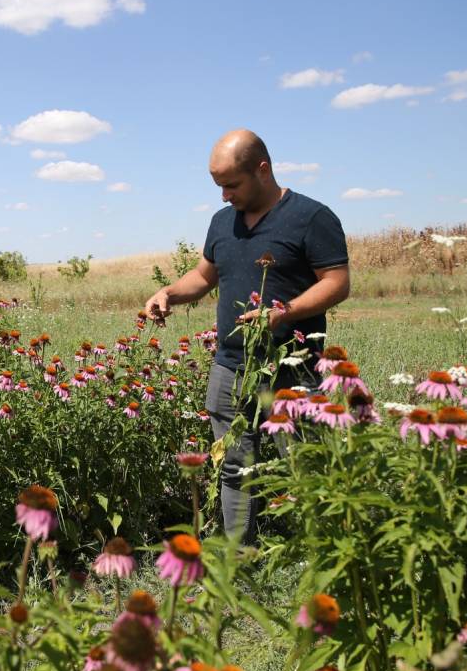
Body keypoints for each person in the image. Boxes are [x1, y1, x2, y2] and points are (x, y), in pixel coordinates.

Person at [144, 129, 350, 544]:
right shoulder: (223, 223)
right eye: (218, 186)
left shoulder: (311, 217)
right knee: (235, 465)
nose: (224, 196)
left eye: (231, 185)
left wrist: (285, 313)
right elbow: (203, 277)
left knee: (303, 464)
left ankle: (319, 550)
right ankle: (240, 556)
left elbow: (337, 282)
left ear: (263, 169)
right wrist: (168, 292)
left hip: (292, 369)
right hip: (230, 367)